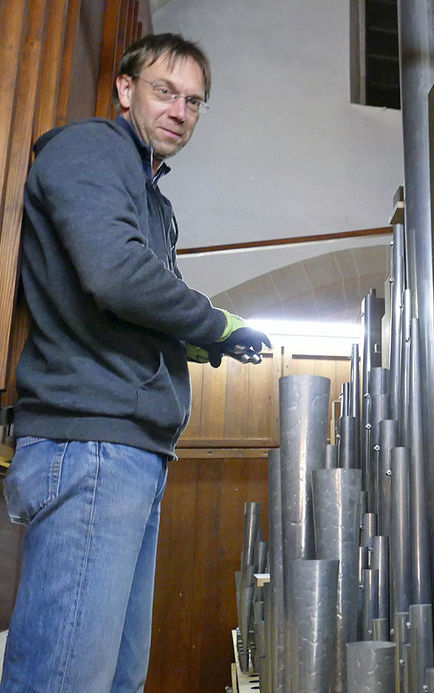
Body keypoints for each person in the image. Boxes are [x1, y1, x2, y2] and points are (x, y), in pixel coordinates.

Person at [1, 33, 269, 692]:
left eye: (195, 102)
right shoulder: (90, 148)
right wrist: (215, 321)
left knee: (115, 680)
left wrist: (189, 341)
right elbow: (116, 275)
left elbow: (119, 298)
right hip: (91, 440)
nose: (180, 111)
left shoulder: (149, 193)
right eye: (165, 91)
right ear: (125, 89)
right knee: (65, 681)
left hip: (125, 448)